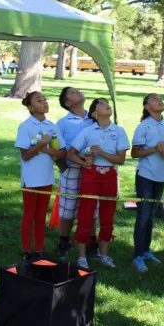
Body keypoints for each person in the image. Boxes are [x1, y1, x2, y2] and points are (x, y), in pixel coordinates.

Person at [67, 98, 129, 269]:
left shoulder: (119, 130)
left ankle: (104, 255)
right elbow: (70, 154)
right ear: (94, 113)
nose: (106, 104)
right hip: (91, 175)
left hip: (109, 175)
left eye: (106, 102)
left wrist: (102, 152)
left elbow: (121, 159)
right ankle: (81, 256)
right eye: (101, 103)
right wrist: (85, 163)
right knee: (85, 214)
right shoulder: (88, 131)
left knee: (107, 215)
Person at [15, 91, 66, 260]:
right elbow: (26, 155)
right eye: (39, 100)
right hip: (31, 179)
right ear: (30, 107)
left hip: (46, 177)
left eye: (45, 99)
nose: (44, 102)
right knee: (29, 214)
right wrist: (41, 145)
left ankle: (39, 249)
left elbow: (61, 153)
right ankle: (26, 250)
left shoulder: (52, 126)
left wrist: (47, 149)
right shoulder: (25, 126)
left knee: (41, 215)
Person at [130, 93, 164, 273]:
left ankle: (146, 250)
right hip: (145, 176)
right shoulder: (143, 126)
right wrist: (153, 149)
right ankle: (137, 256)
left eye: (161, 98)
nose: (160, 100)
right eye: (155, 99)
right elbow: (134, 153)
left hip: (161, 177)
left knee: (151, 217)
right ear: (147, 107)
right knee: (142, 217)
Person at [55, 87, 99, 259]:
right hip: (72, 168)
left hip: (93, 169)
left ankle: (91, 242)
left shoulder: (94, 118)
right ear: (68, 103)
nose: (79, 91)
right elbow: (59, 148)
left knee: (92, 206)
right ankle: (64, 242)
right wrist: (64, 167)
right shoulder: (63, 123)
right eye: (73, 92)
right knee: (68, 207)